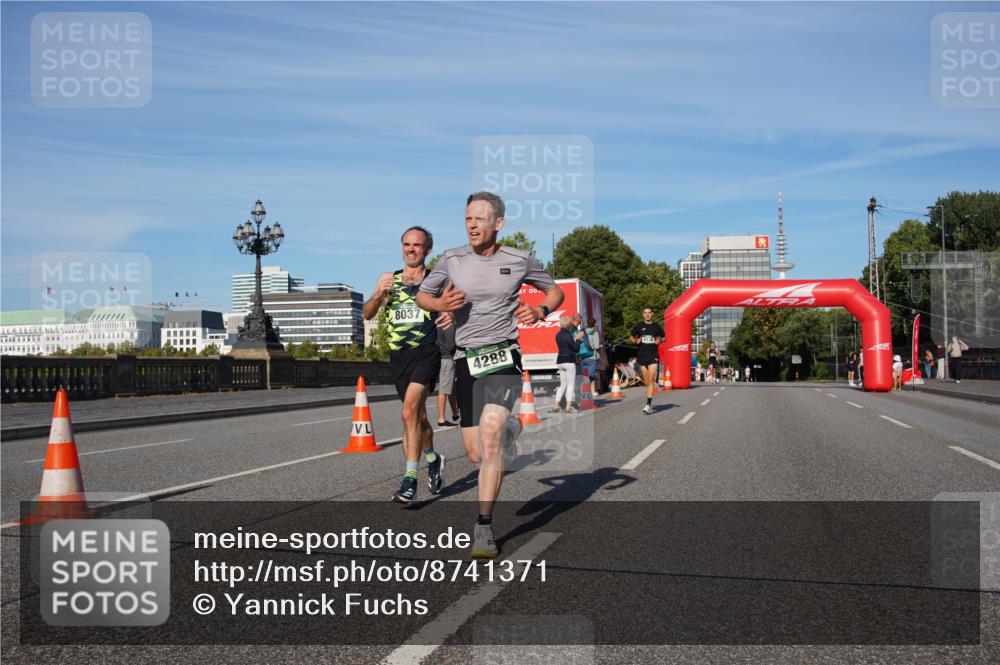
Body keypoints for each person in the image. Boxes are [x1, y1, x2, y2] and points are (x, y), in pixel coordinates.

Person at [416, 191, 563, 559]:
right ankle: (514, 429)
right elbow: (422, 295)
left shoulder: (518, 260)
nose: (472, 225)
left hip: (504, 353)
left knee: (492, 431)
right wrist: (439, 304)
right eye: (468, 219)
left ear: (498, 223)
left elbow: (555, 291)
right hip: (467, 359)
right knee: (475, 453)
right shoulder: (452, 259)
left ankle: (483, 526)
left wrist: (540, 310)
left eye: (479, 219)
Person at [363, 226, 445, 504]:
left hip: (426, 352)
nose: (411, 249)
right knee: (417, 417)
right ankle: (433, 459)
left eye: (417, 245)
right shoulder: (389, 279)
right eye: (407, 244)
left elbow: (453, 310)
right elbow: (367, 314)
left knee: (408, 411)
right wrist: (377, 296)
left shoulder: (437, 280)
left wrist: (449, 317)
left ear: (427, 249)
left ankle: (410, 479)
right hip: (398, 356)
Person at [630, 307, 665, 415]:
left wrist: (660, 340)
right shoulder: (639, 326)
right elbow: (631, 337)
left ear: (652, 314)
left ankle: (648, 405)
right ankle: (650, 389)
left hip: (653, 355)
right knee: (647, 381)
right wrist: (636, 340)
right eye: (645, 313)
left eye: (649, 313)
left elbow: (664, 338)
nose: (647, 315)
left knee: (651, 379)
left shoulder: (656, 327)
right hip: (642, 355)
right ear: (643, 314)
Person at [552, 316, 580, 413]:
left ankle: (556, 405)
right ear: (568, 325)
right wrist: (577, 339)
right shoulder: (568, 336)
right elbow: (575, 348)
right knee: (570, 384)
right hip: (569, 360)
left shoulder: (558, 335)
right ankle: (568, 406)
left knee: (562, 384)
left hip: (560, 361)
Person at [436, 322, 460, 426]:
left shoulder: (439, 323)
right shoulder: (448, 325)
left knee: (451, 388)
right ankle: (441, 418)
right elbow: (451, 345)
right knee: (444, 389)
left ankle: (455, 413)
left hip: (443, 358)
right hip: (447, 358)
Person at [584, 316, 601, 396]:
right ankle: (593, 392)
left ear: (587, 323)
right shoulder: (595, 333)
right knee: (592, 375)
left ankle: (584, 392)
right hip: (592, 356)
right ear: (594, 324)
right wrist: (600, 346)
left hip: (584, 356)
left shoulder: (583, 332)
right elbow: (597, 346)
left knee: (585, 375)